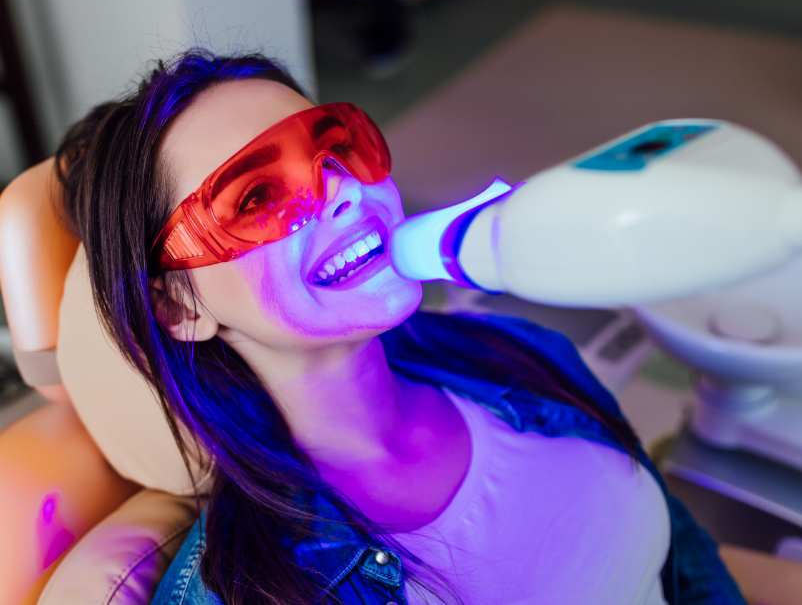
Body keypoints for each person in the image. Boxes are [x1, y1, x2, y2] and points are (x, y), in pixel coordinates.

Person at [55, 49, 745, 605]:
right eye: (259, 196)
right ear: (180, 306)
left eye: (337, 148)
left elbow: (679, 555)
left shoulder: (519, 349)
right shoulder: (257, 590)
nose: (343, 190)